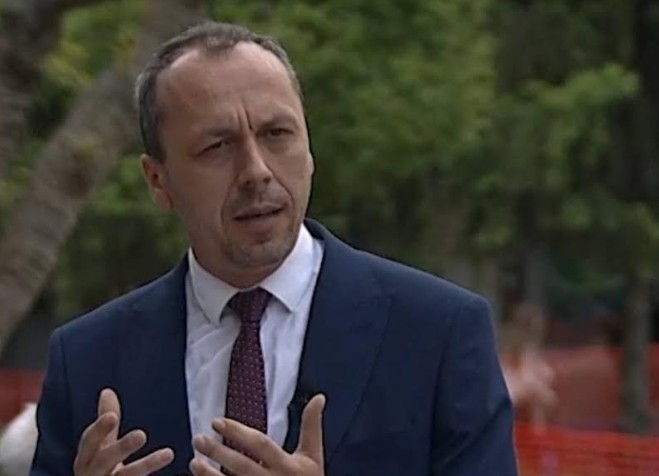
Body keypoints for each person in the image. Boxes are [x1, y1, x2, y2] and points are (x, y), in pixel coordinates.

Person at [31, 21, 517, 476]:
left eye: (277, 134)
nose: (256, 171)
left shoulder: (438, 333)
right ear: (158, 180)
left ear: (309, 148)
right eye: (217, 146)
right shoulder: (87, 361)